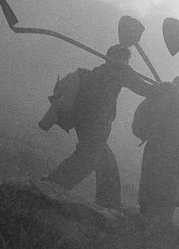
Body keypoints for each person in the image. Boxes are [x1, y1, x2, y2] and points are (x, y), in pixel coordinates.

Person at [43, 44, 156, 210]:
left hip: (87, 122)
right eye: (126, 60)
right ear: (121, 59)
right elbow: (144, 89)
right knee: (87, 159)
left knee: (104, 160)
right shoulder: (119, 71)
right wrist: (165, 88)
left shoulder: (102, 70)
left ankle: (108, 202)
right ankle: (54, 185)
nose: (127, 63)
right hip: (96, 124)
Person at [133, 72, 179, 228]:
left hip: (156, 146)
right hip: (171, 149)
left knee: (153, 181)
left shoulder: (164, 95)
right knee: (167, 185)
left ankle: (149, 217)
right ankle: (159, 221)